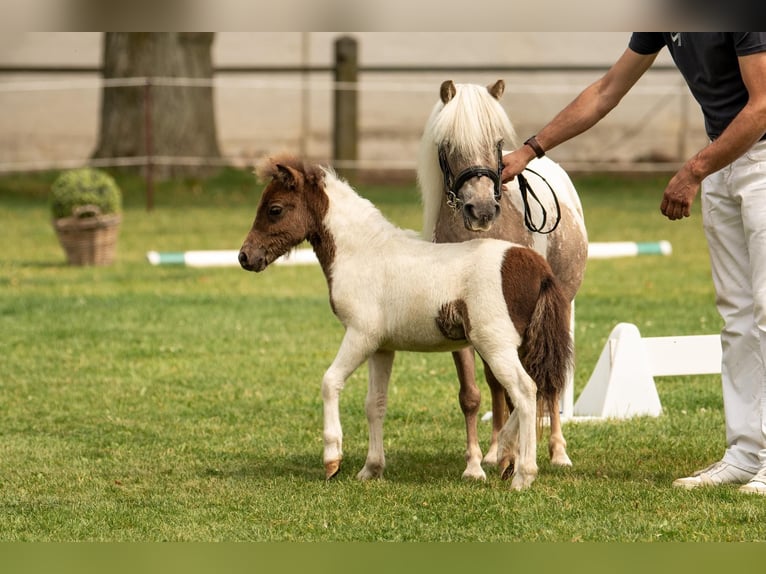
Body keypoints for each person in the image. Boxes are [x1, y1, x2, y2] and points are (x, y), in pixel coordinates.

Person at [502, 32, 766, 495]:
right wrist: (530, 150)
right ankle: (745, 453)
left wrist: (692, 171)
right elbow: (607, 91)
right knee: (737, 313)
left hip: (758, 155)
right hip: (725, 158)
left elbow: (762, 106)